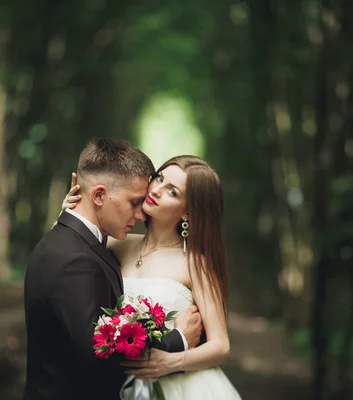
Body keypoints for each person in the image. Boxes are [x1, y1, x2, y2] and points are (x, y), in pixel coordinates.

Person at [23, 139, 203, 400]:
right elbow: (98, 358)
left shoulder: (71, 241)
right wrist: (176, 340)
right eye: (134, 202)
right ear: (98, 195)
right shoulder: (76, 259)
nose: (142, 214)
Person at [62, 155, 241, 399]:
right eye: (159, 178)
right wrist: (70, 209)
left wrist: (172, 362)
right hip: (122, 384)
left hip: (181, 387)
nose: (156, 190)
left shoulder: (195, 263)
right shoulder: (117, 244)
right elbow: (63, 252)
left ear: (188, 212)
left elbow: (221, 346)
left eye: (172, 192)